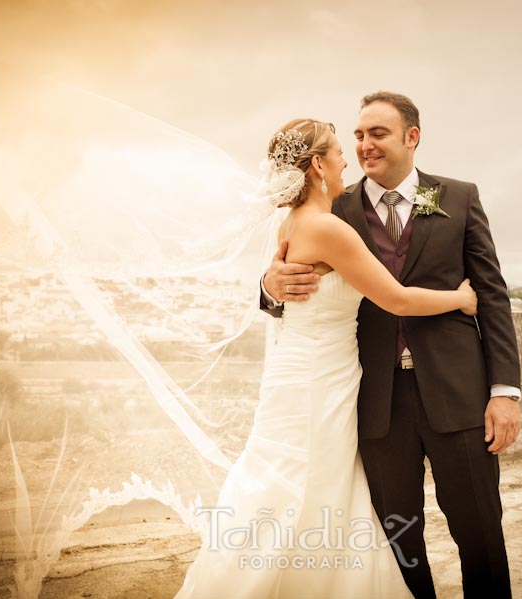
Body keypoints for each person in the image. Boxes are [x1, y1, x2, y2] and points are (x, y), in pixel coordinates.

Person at [175, 118, 479, 598]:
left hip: (307, 373)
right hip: (320, 384)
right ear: (318, 165)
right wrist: (460, 299)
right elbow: (395, 299)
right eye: (338, 151)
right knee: (310, 485)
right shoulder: (327, 227)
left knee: (299, 485)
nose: (346, 161)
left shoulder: (292, 222)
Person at [261, 93, 522, 598]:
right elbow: (286, 274)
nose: (365, 145)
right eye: (358, 136)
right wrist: (270, 286)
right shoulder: (331, 207)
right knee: (397, 546)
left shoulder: (459, 197)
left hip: (458, 394)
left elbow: (492, 295)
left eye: (378, 134)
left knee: (481, 535)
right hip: (374, 402)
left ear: (411, 137)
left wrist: (504, 391)